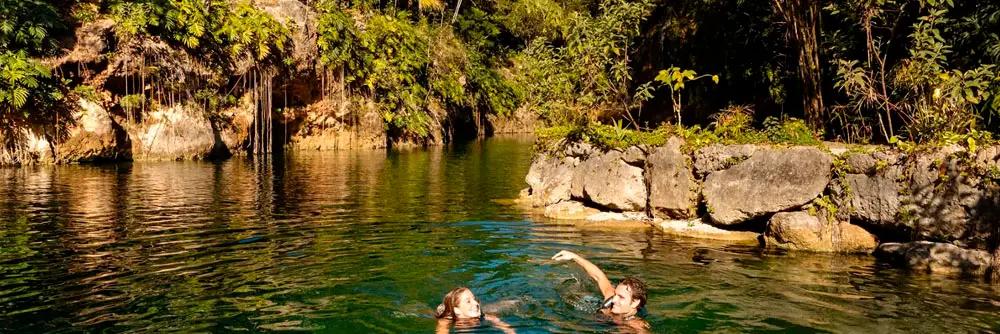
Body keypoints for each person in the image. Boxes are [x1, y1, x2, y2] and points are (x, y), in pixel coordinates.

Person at [551, 250, 650, 332]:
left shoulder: (636, 325)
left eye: (621, 297)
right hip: (594, 317)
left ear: (635, 302)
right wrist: (574, 256)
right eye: (615, 294)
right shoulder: (611, 299)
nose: (614, 299)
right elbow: (599, 276)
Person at [434, 286, 515, 334]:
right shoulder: (446, 320)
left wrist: (509, 331)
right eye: (468, 301)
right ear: (457, 310)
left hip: (489, 309)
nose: (476, 303)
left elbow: (497, 321)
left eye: (474, 299)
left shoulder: (482, 315)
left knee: (508, 304)